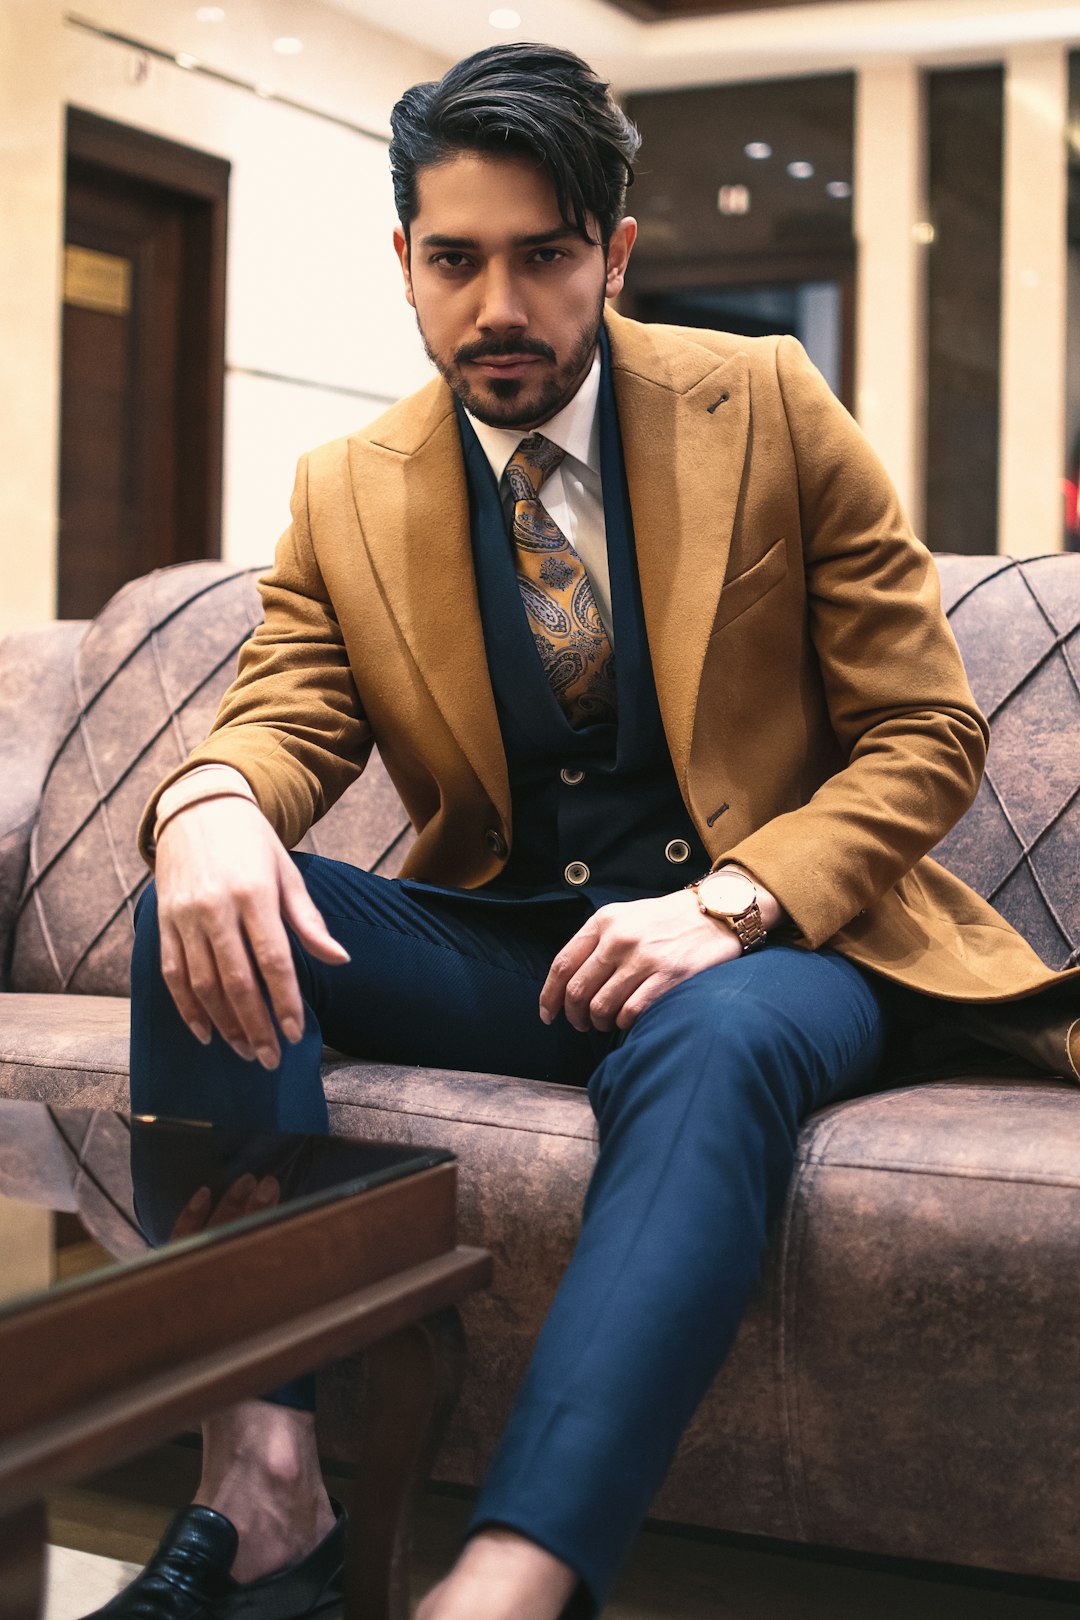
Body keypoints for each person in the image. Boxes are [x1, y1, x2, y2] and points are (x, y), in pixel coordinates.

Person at [94, 40, 1077, 1620]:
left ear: (613, 256)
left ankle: (512, 1578)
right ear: (403, 263)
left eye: (544, 257)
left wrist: (737, 904)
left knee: (717, 1042)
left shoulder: (765, 402)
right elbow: (283, 713)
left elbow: (927, 733)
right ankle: (265, 1480)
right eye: (457, 259)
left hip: (773, 948)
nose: (500, 306)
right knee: (199, 905)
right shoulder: (347, 488)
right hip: (515, 946)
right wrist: (205, 806)